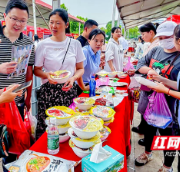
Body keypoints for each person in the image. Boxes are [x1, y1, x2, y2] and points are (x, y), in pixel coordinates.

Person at [134, 21, 180, 172]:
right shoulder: (156, 51)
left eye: (167, 37)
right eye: (160, 38)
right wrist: (150, 71)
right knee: (149, 129)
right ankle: (148, 153)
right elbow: (140, 64)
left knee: (168, 137)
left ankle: (167, 166)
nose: (163, 40)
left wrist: (162, 81)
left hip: (169, 105)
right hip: (150, 99)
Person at [34, 8, 85, 139]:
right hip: (48, 93)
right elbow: (37, 69)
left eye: (58, 23)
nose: (53, 26)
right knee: (48, 130)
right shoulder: (42, 45)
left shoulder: (75, 44)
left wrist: (73, 78)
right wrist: (47, 75)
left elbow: (80, 68)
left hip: (69, 91)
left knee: (69, 128)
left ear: (66, 24)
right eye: (51, 22)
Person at [0, 0, 34, 119]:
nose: (18, 24)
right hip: (1, 100)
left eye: (22, 20)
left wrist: (28, 98)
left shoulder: (28, 42)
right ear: (5, 16)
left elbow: (29, 71)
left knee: (17, 136)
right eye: (14, 19)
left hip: (18, 100)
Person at [132, 23, 160, 142]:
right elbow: (145, 62)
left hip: (152, 83)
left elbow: (153, 66)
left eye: (143, 34)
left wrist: (141, 67)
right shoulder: (151, 44)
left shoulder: (157, 46)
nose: (142, 36)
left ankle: (149, 138)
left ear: (151, 32)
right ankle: (143, 128)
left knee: (149, 110)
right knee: (144, 108)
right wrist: (139, 65)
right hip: (147, 80)